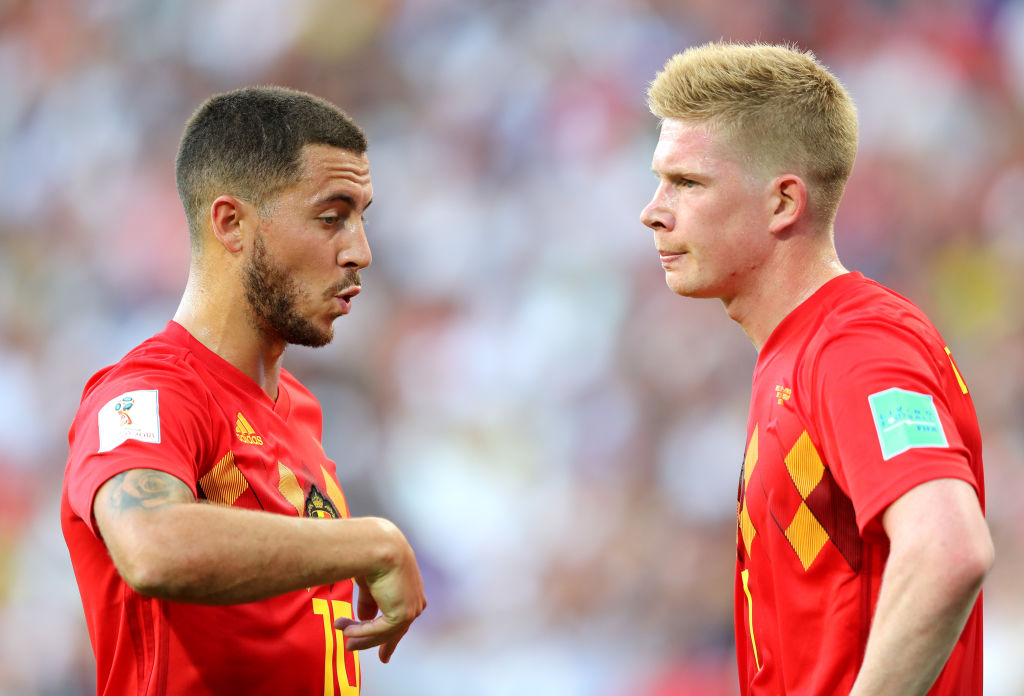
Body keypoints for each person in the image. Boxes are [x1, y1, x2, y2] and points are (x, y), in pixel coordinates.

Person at [640, 42, 993, 696]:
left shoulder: (854, 343)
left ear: (782, 203)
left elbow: (948, 549)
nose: (653, 210)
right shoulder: (798, 353)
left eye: (686, 183)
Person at [61, 86, 426, 696]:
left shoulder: (299, 411)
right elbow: (152, 547)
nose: (360, 251)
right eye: (332, 217)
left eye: (362, 218)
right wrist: (372, 542)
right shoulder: (151, 393)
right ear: (231, 223)